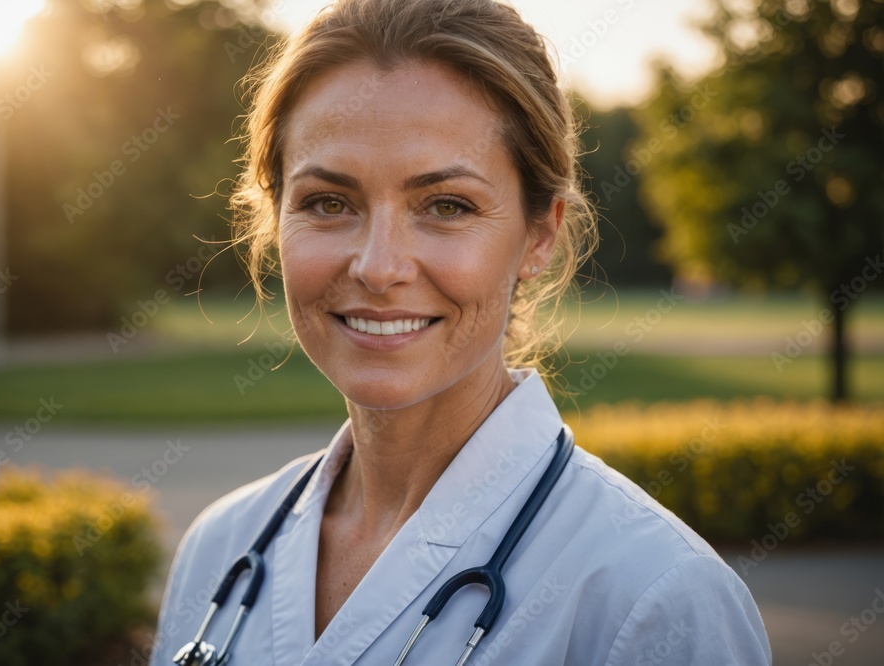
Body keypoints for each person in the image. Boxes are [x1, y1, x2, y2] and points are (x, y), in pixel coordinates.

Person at [150, 0, 772, 663]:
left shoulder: (652, 598)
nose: (379, 267)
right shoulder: (220, 549)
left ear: (540, 234)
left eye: (446, 206)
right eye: (329, 203)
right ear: (276, 219)